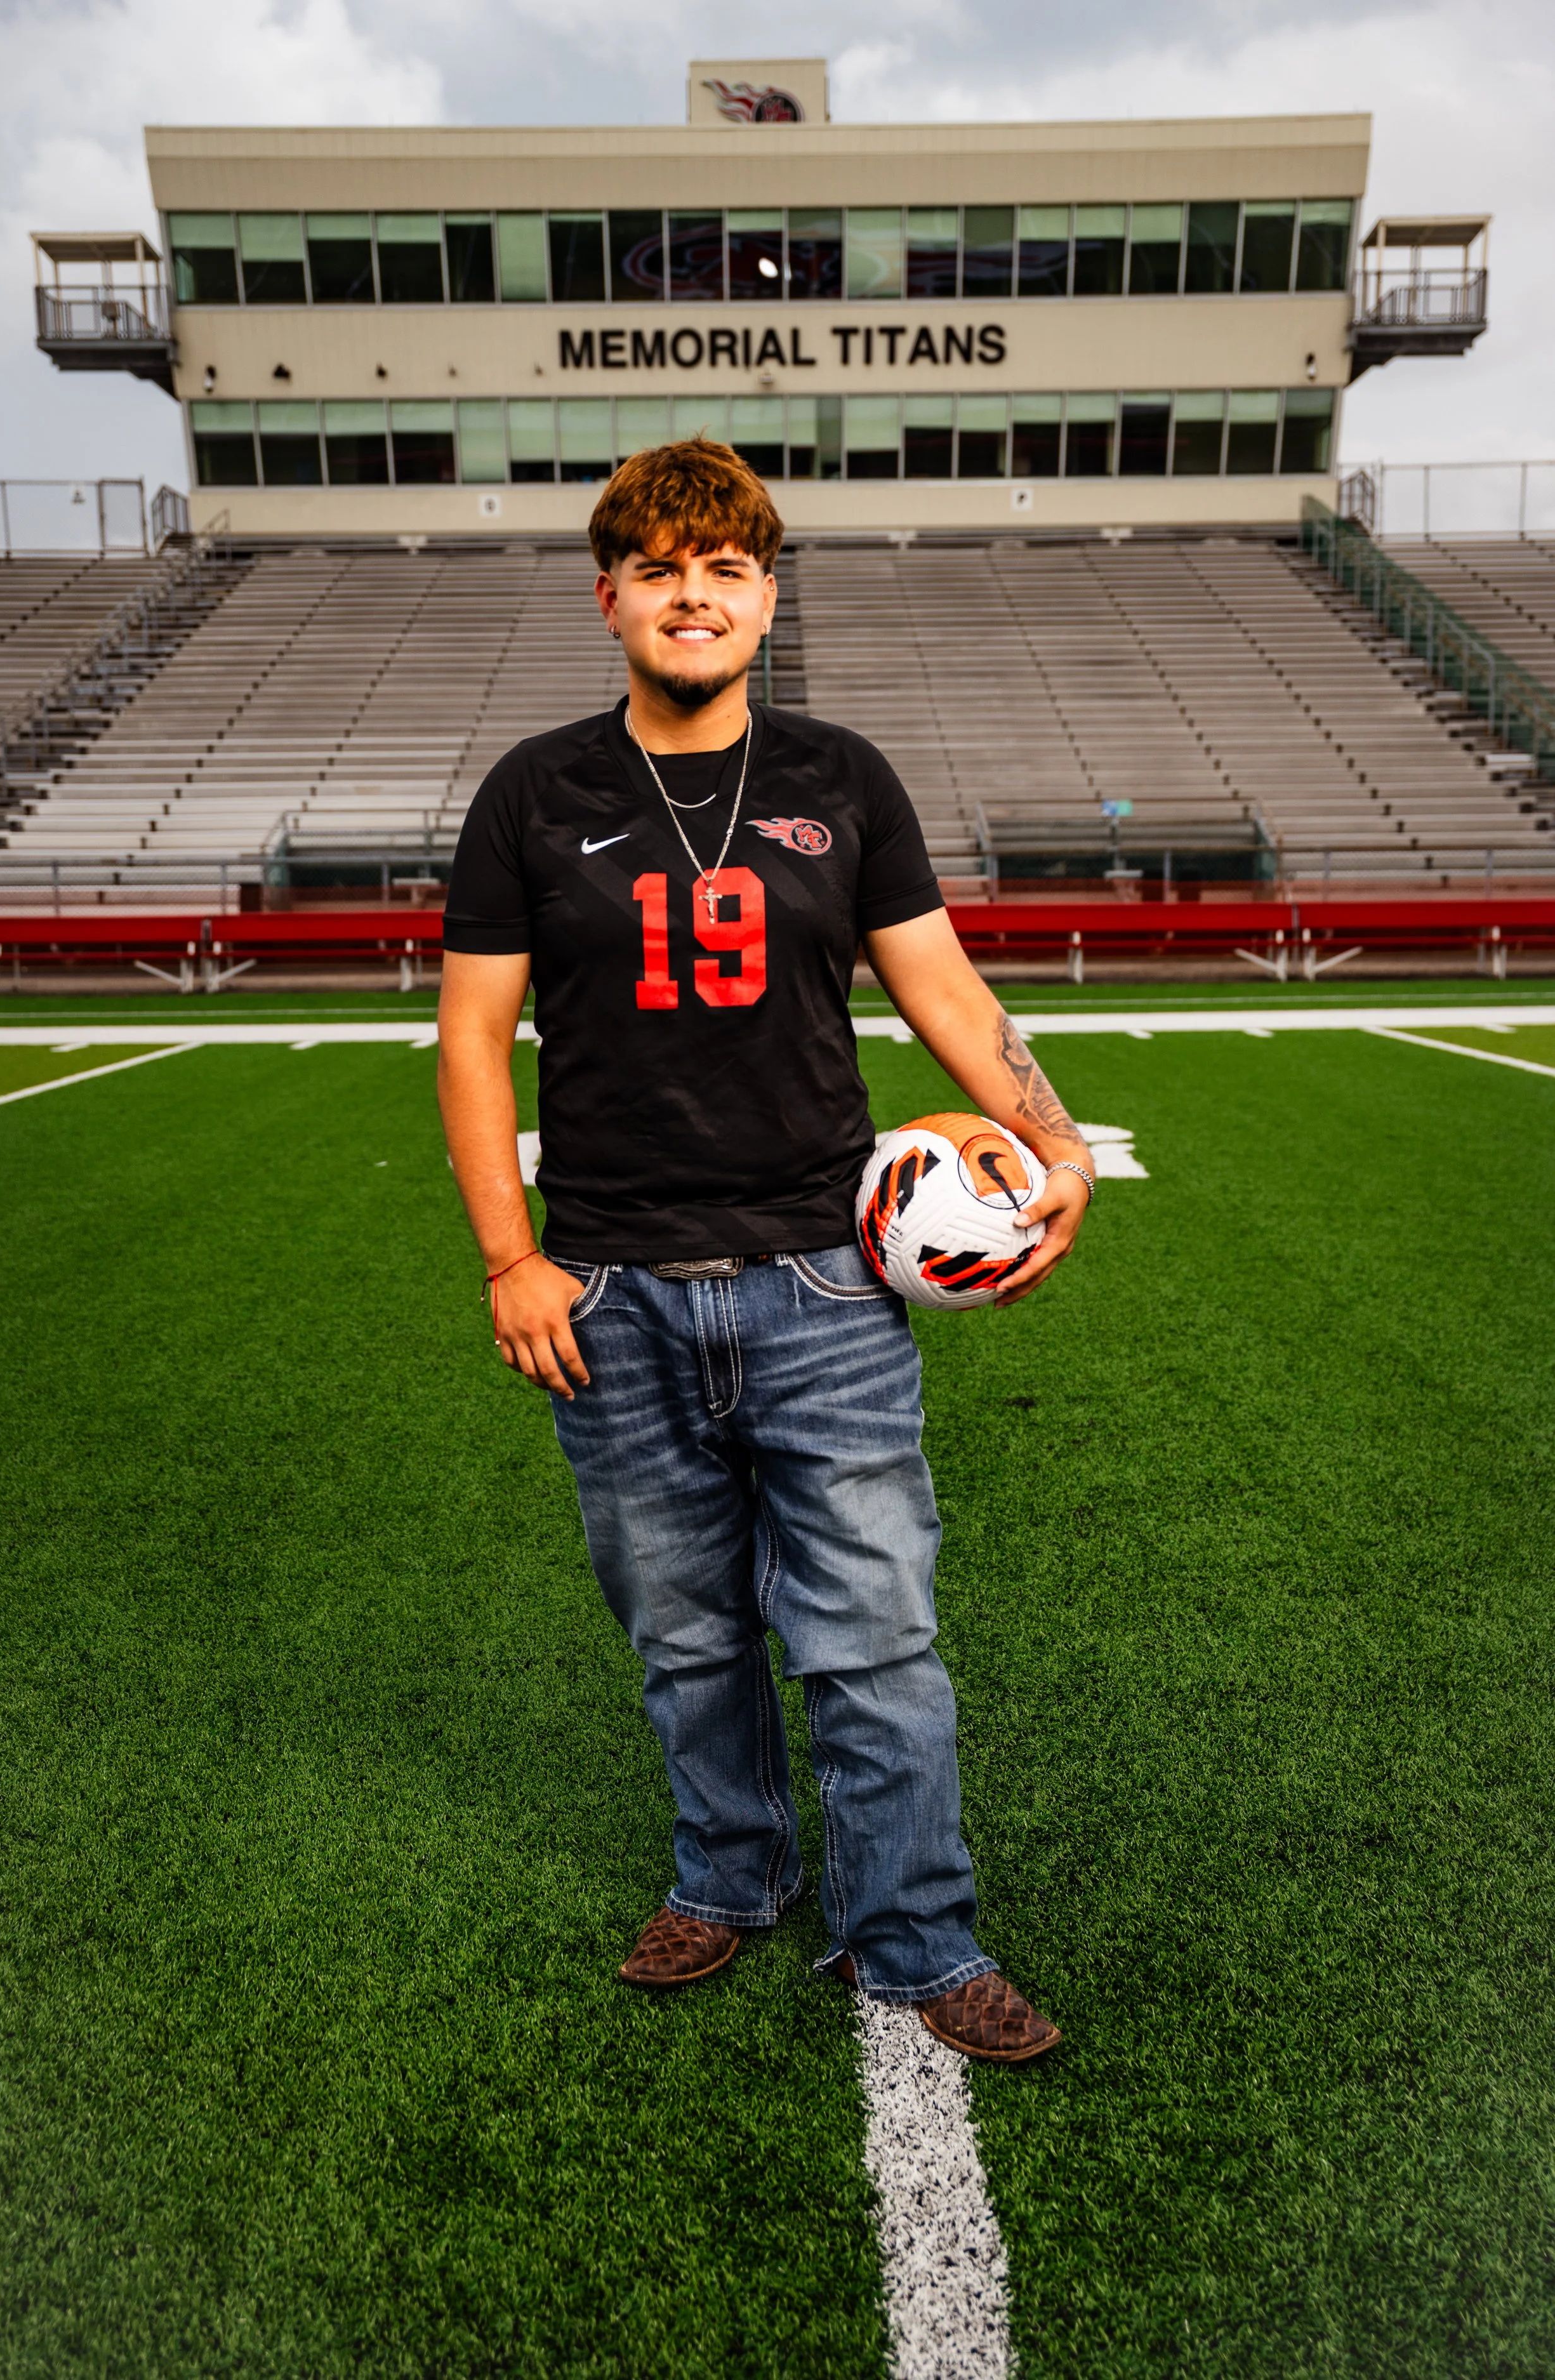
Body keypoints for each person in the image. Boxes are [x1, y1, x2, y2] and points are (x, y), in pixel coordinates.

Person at [437, 439, 1094, 2063]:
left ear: (764, 598)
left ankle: (918, 1937)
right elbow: (471, 1043)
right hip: (606, 1289)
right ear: (608, 600)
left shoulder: (839, 776)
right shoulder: (533, 790)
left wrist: (1057, 1135)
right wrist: (511, 1261)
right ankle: (727, 1878)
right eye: (658, 569)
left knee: (874, 1636)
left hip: (819, 1280)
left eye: (723, 568)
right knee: (684, 1635)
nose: (691, 593)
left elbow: (943, 991)